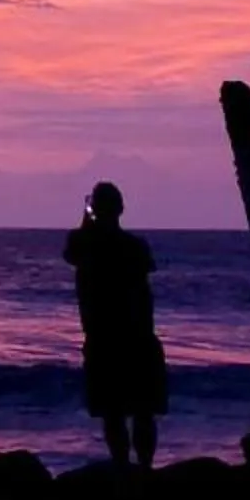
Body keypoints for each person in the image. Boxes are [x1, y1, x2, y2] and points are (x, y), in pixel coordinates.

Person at [64, 181, 167, 467]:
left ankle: (123, 467)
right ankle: (144, 468)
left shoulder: (84, 244)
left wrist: (87, 219)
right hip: (138, 336)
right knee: (142, 411)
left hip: (105, 338)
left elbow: (72, 252)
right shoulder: (135, 246)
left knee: (114, 413)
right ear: (121, 209)